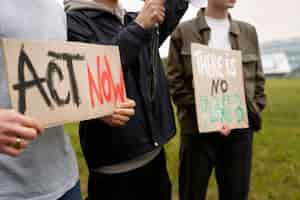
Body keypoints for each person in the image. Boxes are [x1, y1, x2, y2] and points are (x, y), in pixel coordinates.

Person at [0, 1, 134, 199]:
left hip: (65, 181)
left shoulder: (56, 8)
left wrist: (97, 107)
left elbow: (57, 83)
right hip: (10, 190)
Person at [65, 0, 189, 199]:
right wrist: (139, 27)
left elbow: (173, 7)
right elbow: (91, 73)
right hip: (114, 171)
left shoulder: (131, 18)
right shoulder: (72, 22)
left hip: (155, 158)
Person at [166, 0, 267, 199]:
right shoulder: (183, 32)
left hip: (239, 132)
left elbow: (258, 81)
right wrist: (210, 115)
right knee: (191, 194)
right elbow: (175, 84)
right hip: (197, 131)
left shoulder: (248, 32)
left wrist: (248, 112)